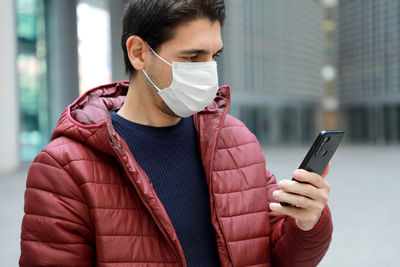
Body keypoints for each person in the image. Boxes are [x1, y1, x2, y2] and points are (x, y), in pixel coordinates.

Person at [19, 0, 333, 266]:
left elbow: (278, 255)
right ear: (139, 53)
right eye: (192, 58)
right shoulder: (64, 168)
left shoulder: (237, 141)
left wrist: (306, 224)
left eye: (214, 57)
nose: (208, 71)